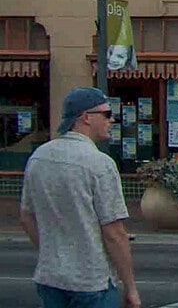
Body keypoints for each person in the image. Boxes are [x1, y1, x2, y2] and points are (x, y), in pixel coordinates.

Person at [20, 87, 140, 308]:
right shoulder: (100, 163)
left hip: (50, 277)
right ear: (86, 117)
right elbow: (114, 233)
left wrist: (51, 251)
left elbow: (27, 217)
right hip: (91, 281)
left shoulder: (39, 157)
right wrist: (131, 288)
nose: (111, 120)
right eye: (106, 114)